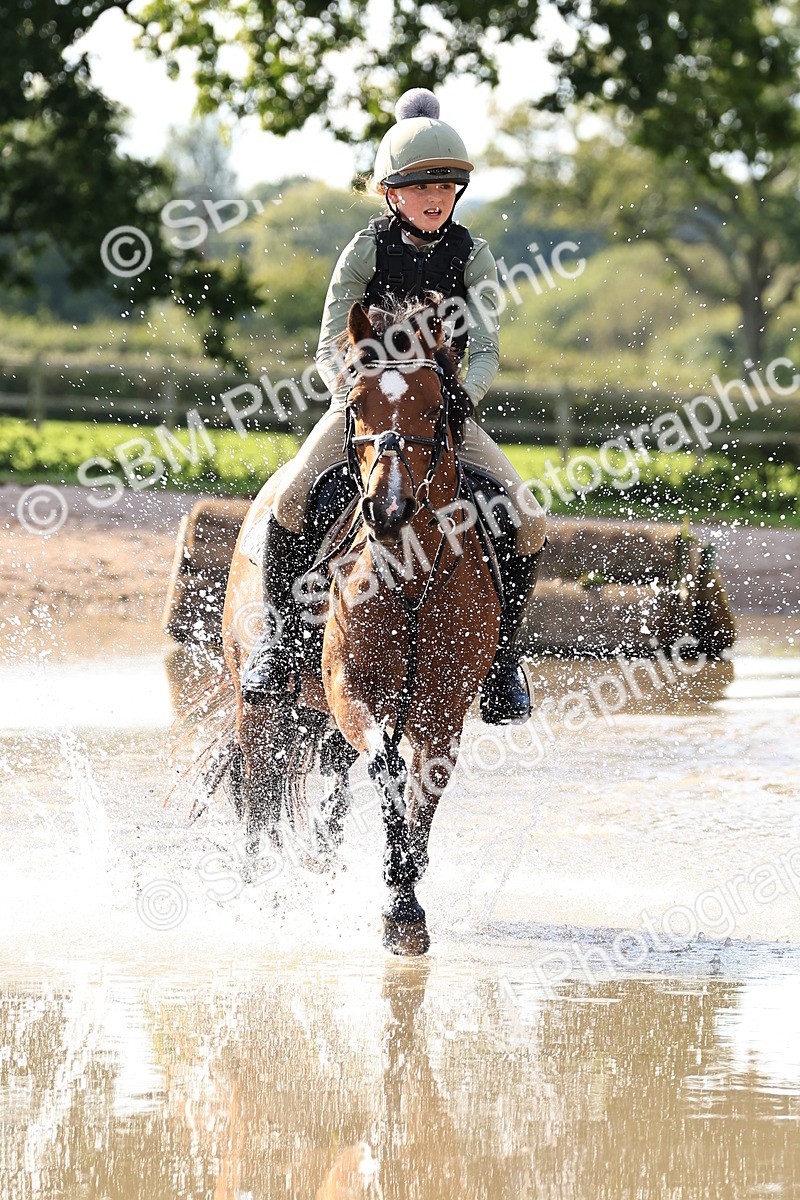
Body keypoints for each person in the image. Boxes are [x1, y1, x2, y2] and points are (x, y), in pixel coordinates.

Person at [242, 88, 547, 723]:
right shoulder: (365, 251)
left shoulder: (474, 256)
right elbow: (329, 344)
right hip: (367, 411)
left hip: (442, 414)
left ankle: (503, 665)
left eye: (446, 186)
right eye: (420, 185)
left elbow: (487, 347)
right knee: (292, 497)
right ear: (391, 192)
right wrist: (357, 396)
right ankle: (276, 639)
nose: (435, 197)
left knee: (529, 518)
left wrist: (464, 399)